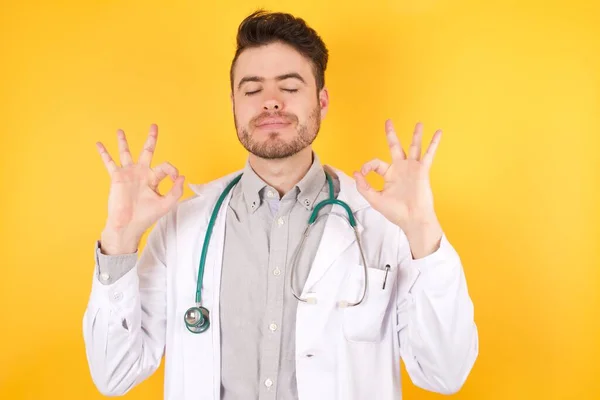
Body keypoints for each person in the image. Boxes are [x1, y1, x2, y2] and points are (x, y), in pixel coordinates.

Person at [82, 9, 478, 400]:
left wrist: (423, 229)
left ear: (321, 102)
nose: (270, 103)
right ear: (234, 104)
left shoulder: (383, 225)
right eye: (252, 90)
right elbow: (114, 375)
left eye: (289, 88)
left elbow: (444, 374)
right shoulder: (181, 228)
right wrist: (119, 238)